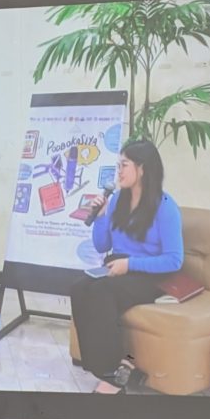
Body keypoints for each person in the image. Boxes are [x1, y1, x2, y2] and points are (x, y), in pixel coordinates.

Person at [70, 139, 184, 394]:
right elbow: (102, 245)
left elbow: (175, 259)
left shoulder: (165, 207)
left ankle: (113, 378)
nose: (118, 171)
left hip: (151, 275)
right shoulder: (118, 200)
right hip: (119, 266)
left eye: (124, 165)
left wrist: (130, 264)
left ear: (142, 169)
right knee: (78, 288)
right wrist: (101, 217)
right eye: (118, 165)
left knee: (101, 292)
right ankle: (105, 368)